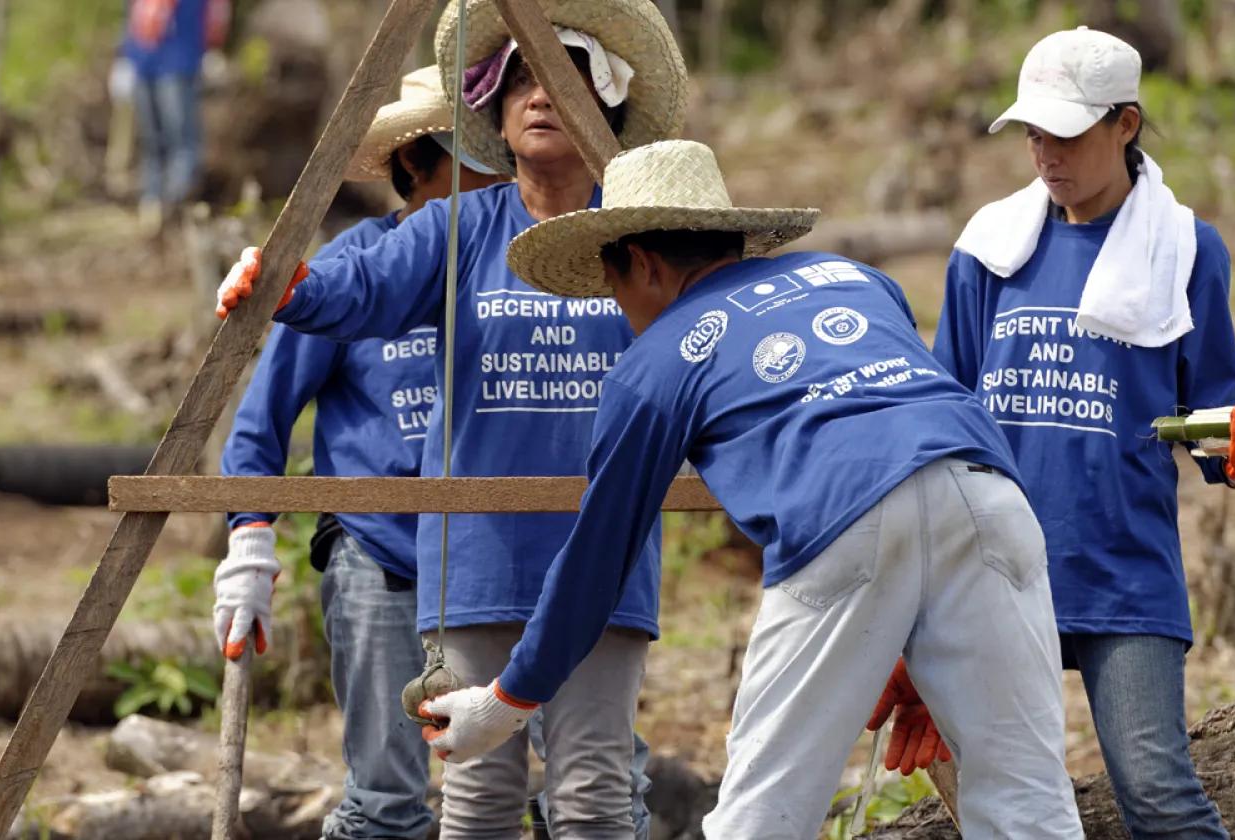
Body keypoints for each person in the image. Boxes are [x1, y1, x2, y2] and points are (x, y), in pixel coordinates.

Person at [414, 138, 1084, 839]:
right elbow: (910, 450)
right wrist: (925, 637)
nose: (621, 312)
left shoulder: (653, 365)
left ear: (639, 263)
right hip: (990, 496)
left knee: (758, 820)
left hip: (839, 515)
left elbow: (596, 562)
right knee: (1026, 805)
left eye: (611, 288)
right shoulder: (850, 277)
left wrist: (507, 701)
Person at [213, 1, 686, 834]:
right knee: (479, 797)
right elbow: (360, 289)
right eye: (520, 82)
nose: (541, 96)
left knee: (594, 796)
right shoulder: (457, 229)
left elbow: (709, 353)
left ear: (605, 105)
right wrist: (287, 282)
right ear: (495, 119)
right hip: (473, 563)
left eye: (567, 79)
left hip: (605, 555)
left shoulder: (644, 236)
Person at [925, 27, 1235, 839]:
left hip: (1120, 573)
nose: (1045, 155)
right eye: (1033, 134)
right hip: (994, 574)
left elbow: (1212, 430)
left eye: (1065, 134)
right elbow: (944, 418)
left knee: (1159, 798)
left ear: (1125, 124)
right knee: (999, 804)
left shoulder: (1186, 250)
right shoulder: (987, 250)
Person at [213, 66, 502, 840]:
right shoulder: (359, 268)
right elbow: (261, 418)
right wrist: (249, 539)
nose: (497, 176)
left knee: (512, 786)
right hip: (381, 554)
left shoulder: (517, 266)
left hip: (499, 559)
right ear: (417, 163)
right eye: (473, 156)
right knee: (385, 795)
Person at [118, 0, 230, 226]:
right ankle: (152, 200)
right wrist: (125, 57)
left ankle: (176, 205)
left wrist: (213, 48)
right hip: (144, 63)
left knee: (180, 138)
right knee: (151, 138)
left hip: (179, 64)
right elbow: (133, 15)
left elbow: (214, 13)